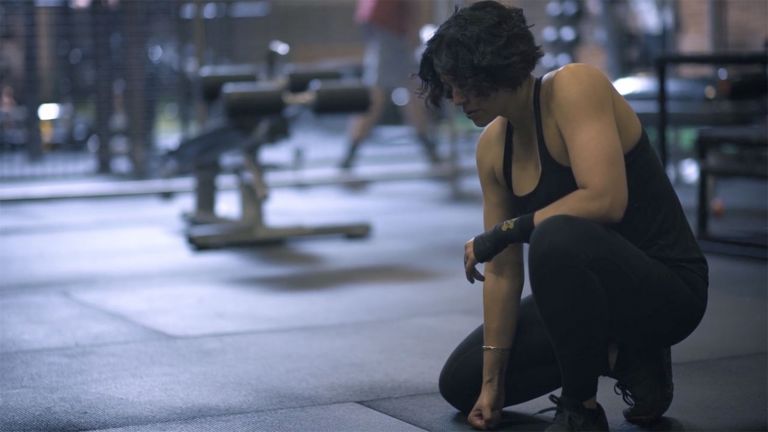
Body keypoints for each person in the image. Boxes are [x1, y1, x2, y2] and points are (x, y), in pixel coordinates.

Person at [416, 2, 708, 431]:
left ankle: (581, 407)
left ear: (496, 67)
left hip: (666, 290)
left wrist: (507, 230)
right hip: (587, 297)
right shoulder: (494, 147)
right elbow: (502, 271)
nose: (457, 98)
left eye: (464, 84)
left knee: (555, 236)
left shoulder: (574, 86)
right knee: (461, 384)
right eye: (450, 86)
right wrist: (492, 385)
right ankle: (626, 356)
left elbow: (606, 200)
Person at [340, 0, 440, 169]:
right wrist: (413, 29)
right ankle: (349, 155)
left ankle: (429, 148)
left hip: (385, 25)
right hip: (389, 27)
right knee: (378, 95)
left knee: (405, 91)